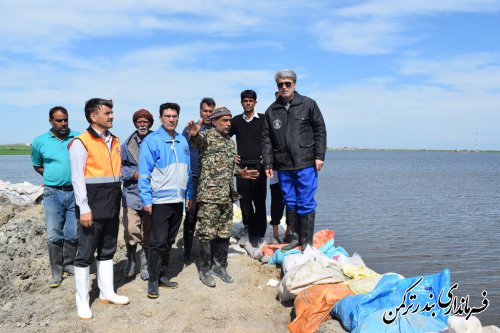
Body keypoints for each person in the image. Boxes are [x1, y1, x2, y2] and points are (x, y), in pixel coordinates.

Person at [69, 98, 129, 320]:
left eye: (112, 112)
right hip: (91, 207)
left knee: (107, 250)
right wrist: (83, 208)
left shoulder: (114, 140)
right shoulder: (80, 142)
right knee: (84, 255)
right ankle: (82, 302)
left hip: (111, 204)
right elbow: (77, 178)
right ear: (93, 116)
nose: (112, 116)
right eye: (108, 113)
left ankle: (107, 292)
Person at [186, 106, 259, 288]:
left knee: (224, 233)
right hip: (209, 196)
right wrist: (194, 135)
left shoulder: (229, 142)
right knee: (206, 233)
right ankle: (204, 270)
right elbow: (196, 142)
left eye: (229, 120)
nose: (228, 124)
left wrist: (240, 173)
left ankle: (220, 266)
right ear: (215, 121)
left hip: (227, 196)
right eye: (225, 120)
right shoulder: (207, 137)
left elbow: (227, 167)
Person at [262, 70, 327, 251]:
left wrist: (319, 156)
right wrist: (268, 163)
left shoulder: (308, 104)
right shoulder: (272, 110)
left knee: (305, 201)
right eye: (280, 84)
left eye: (287, 84)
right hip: (283, 165)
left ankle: (307, 242)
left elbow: (320, 130)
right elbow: (266, 139)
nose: (283, 87)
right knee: (290, 201)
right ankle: (295, 238)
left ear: (295, 84)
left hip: (305, 162)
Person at [139, 102, 192, 299]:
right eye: (167, 116)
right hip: (159, 200)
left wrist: (189, 195)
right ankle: (152, 281)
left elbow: (188, 170)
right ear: (161, 118)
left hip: (178, 200)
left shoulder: (182, 141)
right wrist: (146, 199)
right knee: (158, 241)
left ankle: (162, 276)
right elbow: (144, 174)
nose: (171, 119)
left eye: (174, 116)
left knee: (169, 240)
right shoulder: (151, 141)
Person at [31, 106, 79, 288]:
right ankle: (56, 272)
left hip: (75, 192)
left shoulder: (77, 137)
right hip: (52, 193)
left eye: (66, 119)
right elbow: (37, 165)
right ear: (51, 121)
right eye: (59, 120)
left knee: (73, 233)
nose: (63, 123)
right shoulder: (40, 141)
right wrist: (52, 176)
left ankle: (69, 264)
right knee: (53, 234)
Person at [230, 90, 267, 246]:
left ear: (255, 102)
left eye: (251, 101)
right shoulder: (236, 121)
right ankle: (247, 229)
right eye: (245, 101)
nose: (248, 103)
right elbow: (224, 138)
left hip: (260, 167)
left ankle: (259, 233)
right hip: (242, 168)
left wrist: (267, 155)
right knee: (245, 201)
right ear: (241, 103)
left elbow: (271, 139)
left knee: (259, 201)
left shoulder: (264, 119)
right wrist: (232, 154)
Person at [181, 97, 216, 262]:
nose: (208, 114)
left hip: (211, 179)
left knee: (210, 215)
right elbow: (182, 152)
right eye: (205, 111)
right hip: (194, 177)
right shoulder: (190, 129)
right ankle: (187, 249)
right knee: (191, 214)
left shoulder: (217, 130)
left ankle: (209, 251)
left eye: (211, 111)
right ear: (200, 111)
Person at [121, 109, 154, 280]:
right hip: (132, 193)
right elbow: (119, 167)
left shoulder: (156, 140)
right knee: (131, 229)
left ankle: (145, 263)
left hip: (152, 193)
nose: (142, 124)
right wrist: (133, 174)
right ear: (135, 123)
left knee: (148, 231)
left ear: (150, 123)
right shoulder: (127, 145)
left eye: (145, 122)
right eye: (139, 122)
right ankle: (132, 260)